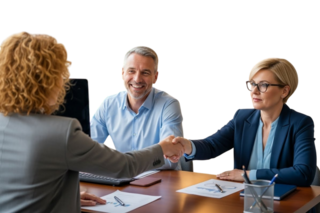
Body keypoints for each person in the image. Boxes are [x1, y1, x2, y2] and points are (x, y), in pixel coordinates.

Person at [0, 31, 183, 212]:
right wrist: (162, 148)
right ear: (50, 80)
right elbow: (124, 166)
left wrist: (66, 194)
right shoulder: (61, 132)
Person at [169, 57, 316, 187]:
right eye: (251, 84)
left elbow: (303, 173)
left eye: (263, 85)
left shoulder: (300, 123)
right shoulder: (242, 117)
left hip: (284, 201)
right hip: (243, 199)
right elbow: (212, 146)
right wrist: (187, 145)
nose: (253, 91)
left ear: (284, 91)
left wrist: (248, 175)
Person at [90, 45, 185, 170]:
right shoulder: (107, 104)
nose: (137, 79)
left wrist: (123, 162)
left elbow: (170, 159)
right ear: (121, 73)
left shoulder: (169, 105)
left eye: (145, 72)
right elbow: (88, 151)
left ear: (156, 76)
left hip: (161, 182)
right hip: (121, 178)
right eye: (131, 71)